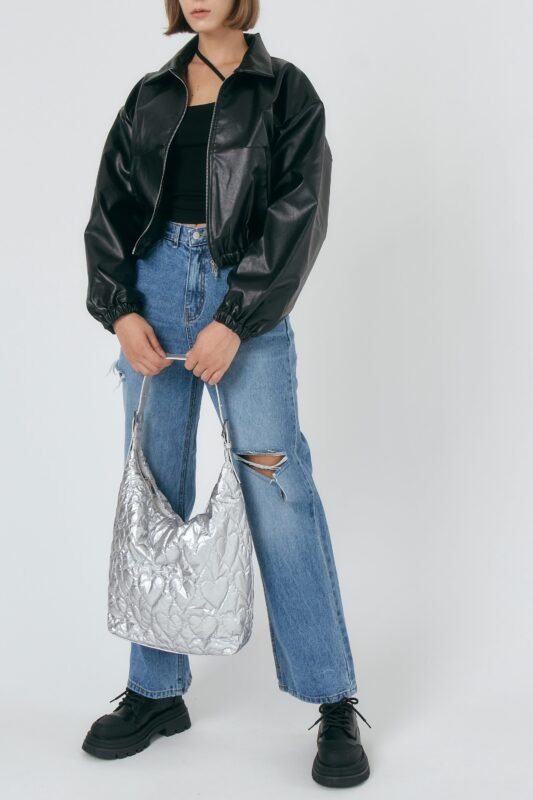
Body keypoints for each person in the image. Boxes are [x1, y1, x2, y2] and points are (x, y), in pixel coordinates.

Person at [81, 0, 371, 788]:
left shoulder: (285, 91)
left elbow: (299, 210)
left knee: (279, 491)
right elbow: (110, 210)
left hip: (243, 295)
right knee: (153, 492)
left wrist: (236, 318)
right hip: (152, 295)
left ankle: (332, 697)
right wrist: (120, 309)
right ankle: (154, 691)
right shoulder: (151, 94)